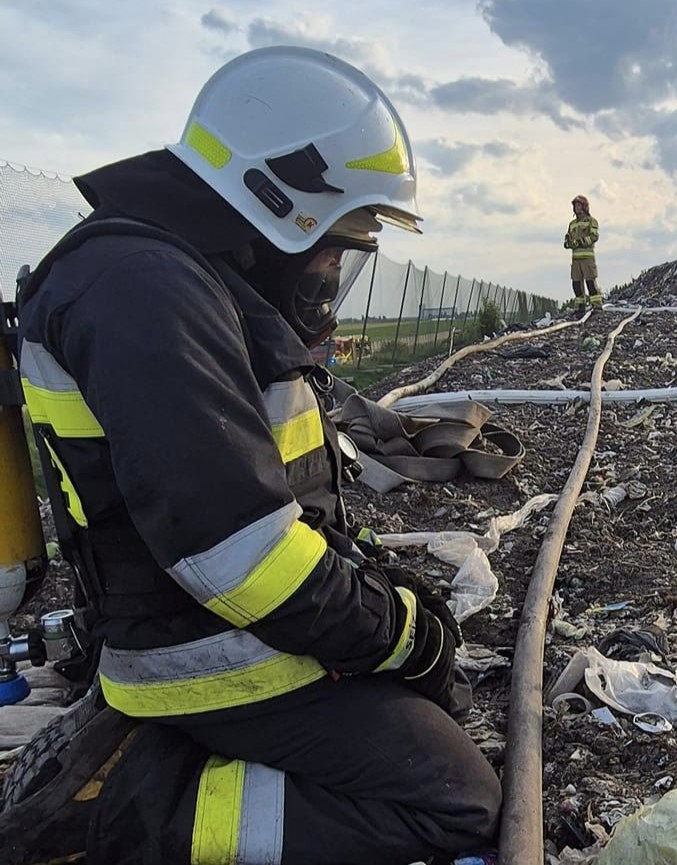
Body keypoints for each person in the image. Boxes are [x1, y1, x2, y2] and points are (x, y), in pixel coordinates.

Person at [7, 46, 500, 865]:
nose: (333, 270)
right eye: (337, 243)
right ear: (279, 204)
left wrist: (378, 592)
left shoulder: (185, 277)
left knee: (430, 724)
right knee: (449, 799)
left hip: (224, 626)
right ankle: (125, 816)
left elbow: (270, 496)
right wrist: (398, 632)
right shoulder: (142, 289)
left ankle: (159, 764)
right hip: (200, 652)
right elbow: (232, 557)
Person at [564, 194, 601, 313]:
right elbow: (567, 241)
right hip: (575, 260)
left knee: (590, 282)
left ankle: (597, 306)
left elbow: (594, 236)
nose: (576, 208)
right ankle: (580, 307)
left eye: (579, 205)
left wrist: (580, 242)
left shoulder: (592, 221)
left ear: (584, 206)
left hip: (587, 259)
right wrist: (569, 243)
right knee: (576, 284)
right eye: (575, 205)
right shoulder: (572, 224)